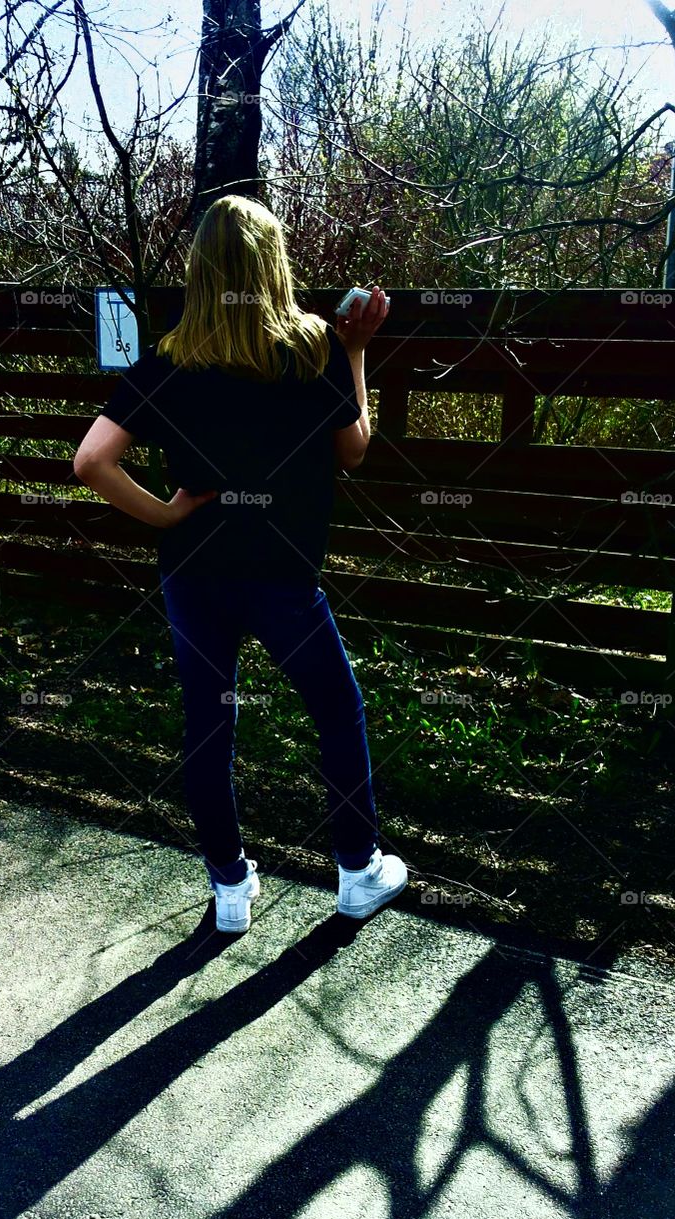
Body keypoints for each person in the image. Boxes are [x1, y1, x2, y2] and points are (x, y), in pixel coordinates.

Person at [73, 194, 408, 934]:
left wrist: (164, 514)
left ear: (201, 269)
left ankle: (229, 889)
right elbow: (352, 451)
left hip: (195, 573)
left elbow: (92, 461)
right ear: (272, 263)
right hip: (283, 576)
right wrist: (355, 349)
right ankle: (356, 871)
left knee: (208, 724)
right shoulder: (311, 345)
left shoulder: (166, 359)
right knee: (336, 712)